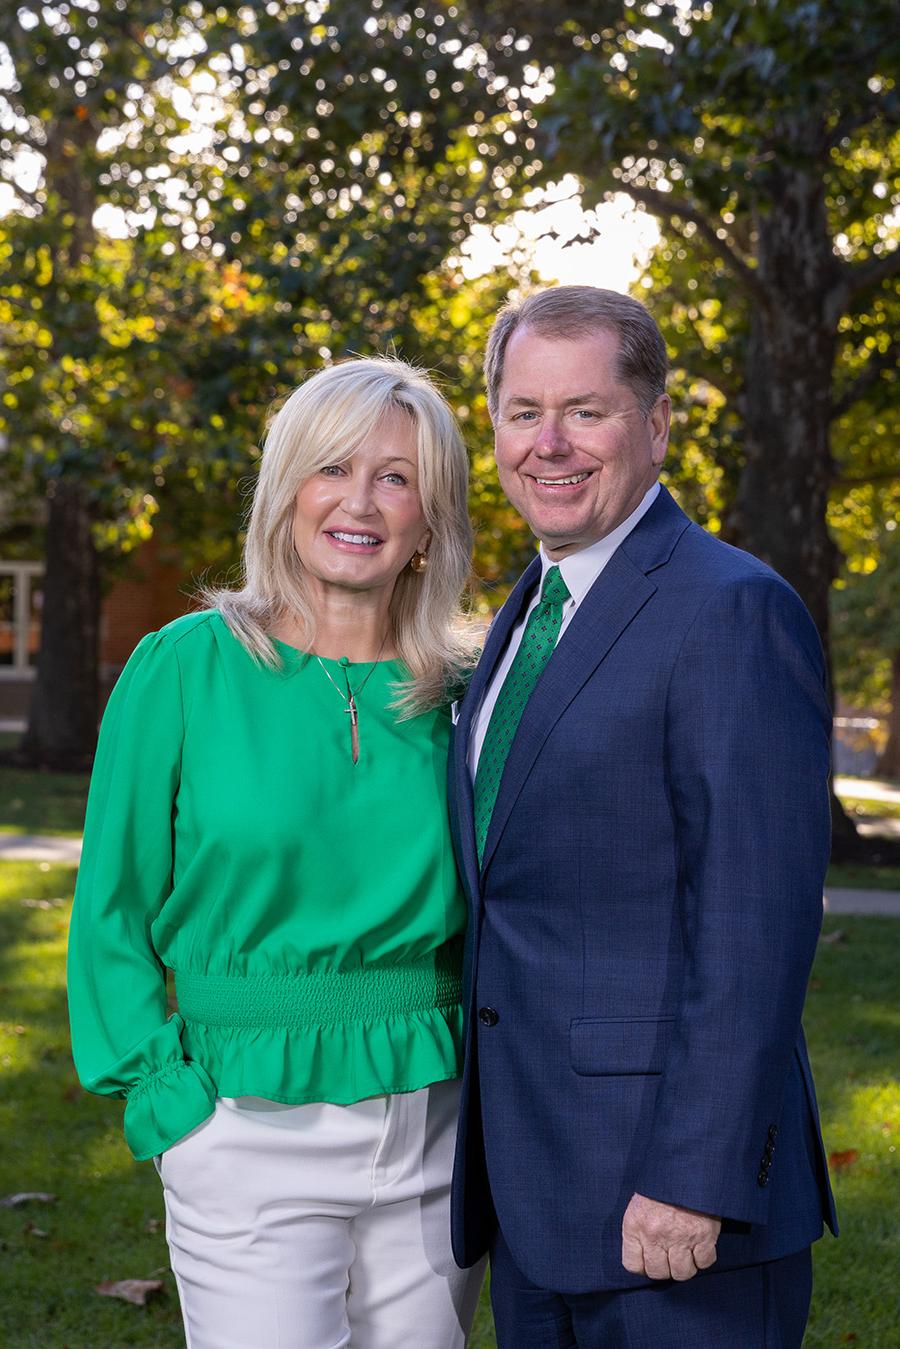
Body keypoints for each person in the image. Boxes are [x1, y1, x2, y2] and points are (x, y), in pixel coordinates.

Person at [67, 356, 486, 1349]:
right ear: (284, 491)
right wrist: (175, 1113)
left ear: (431, 517)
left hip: (441, 1124)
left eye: (395, 476)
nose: (360, 500)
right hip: (244, 1129)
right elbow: (112, 914)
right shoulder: (184, 667)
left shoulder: (472, 688)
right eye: (331, 467)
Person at [448, 286, 837, 1348]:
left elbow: (754, 922)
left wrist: (695, 1175)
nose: (550, 443)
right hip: (536, 1194)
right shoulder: (525, 611)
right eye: (523, 412)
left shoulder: (728, 607)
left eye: (587, 409)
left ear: (657, 424)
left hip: (671, 1211)